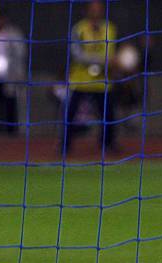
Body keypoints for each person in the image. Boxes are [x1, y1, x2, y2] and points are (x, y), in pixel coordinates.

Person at [60, 0, 120, 155]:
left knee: (108, 114)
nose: (96, 12)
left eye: (99, 9)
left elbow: (113, 52)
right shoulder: (78, 29)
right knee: (70, 114)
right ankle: (65, 146)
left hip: (102, 81)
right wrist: (103, 60)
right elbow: (77, 55)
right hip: (81, 80)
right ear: (86, 11)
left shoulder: (110, 28)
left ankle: (107, 144)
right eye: (93, 9)